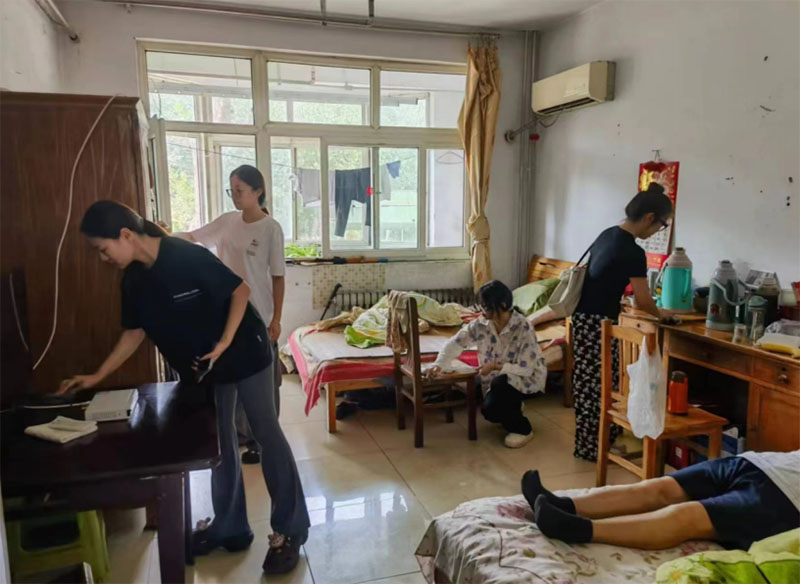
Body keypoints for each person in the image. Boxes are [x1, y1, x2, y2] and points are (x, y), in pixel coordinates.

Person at [59, 201, 309, 575]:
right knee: (219, 442)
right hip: (207, 364)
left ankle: (290, 530)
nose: (103, 258)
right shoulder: (133, 280)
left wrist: (223, 343)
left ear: (125, 235)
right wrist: (97, 376)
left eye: (103, 249)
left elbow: (240, 292)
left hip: (244, 347)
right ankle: (231, 528)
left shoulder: (183, 254)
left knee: (265, 432)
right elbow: (134, 332)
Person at [173, 164, 285, 466]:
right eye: (231, 191)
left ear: (257, 191)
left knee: (264, 384)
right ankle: (239, 436)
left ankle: (264, 440)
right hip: (228, 314)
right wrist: (163, 236)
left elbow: (278, 277)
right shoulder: (227, 221)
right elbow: (192, 237)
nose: (235, 196)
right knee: (232, 378)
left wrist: (276, 318)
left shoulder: (270, 228)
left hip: (259, 316)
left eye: (240, 191)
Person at [521, 450, 800, 550]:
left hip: (784, 500)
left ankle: (575, 528)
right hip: (758, 462)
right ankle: (564, 504)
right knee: (658, 488)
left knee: (687, 516)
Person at [571, 182, 671, 461]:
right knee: (602, 386)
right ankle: (597, 447)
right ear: (650, 218)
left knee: (587, 386)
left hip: (582, 320)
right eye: (662, 225)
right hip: (599, 324)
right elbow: (643, 301)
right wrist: (664, 315)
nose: (658, 231)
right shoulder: (632, 251)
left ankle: (589, 445)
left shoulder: (607, 234)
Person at [426, 280, 547, 448]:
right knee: (490, 411)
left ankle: (523, 429)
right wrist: (439, 364)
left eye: (486, 307)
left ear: (503, 305)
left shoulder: (523, 327)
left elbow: (527, 369)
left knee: (500, 387)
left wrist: (496, 366)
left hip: (526, 378)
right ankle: (513, 405)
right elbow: (456, 343)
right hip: (496, 380)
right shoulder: (481, 324)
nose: (483, 311)